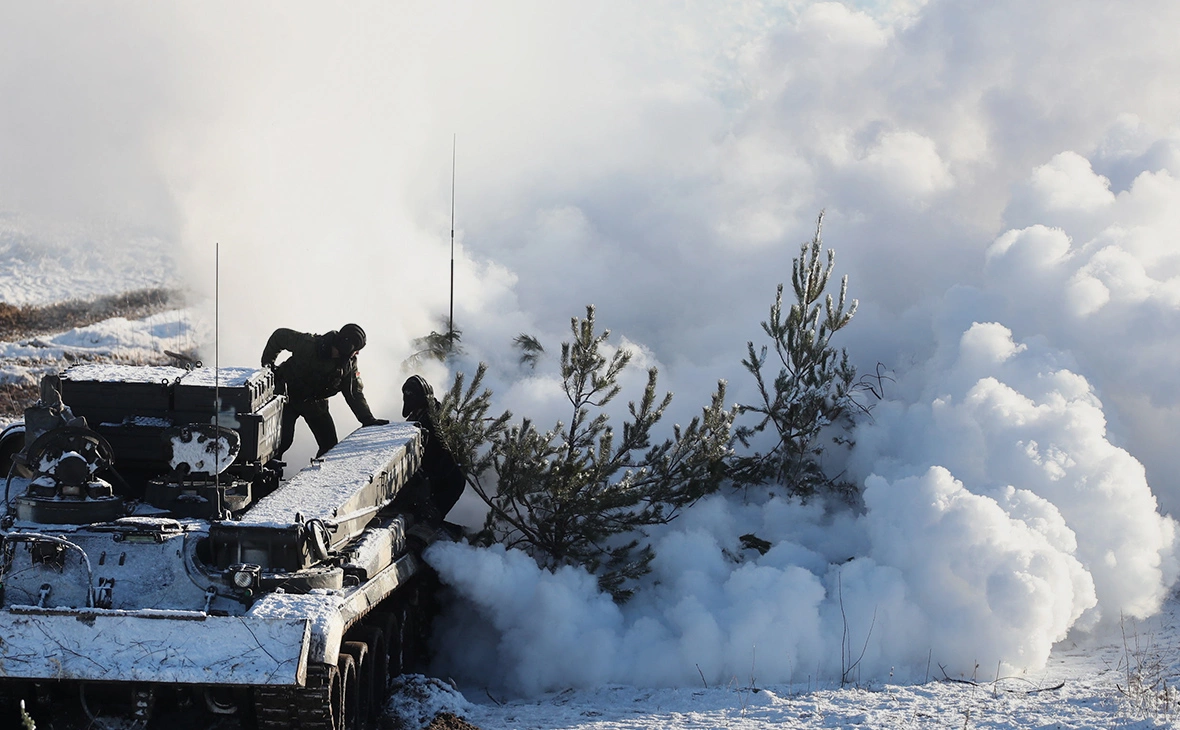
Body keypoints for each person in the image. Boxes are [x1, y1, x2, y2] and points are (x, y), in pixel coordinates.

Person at [261, 323, 388, 460]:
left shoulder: (348, 365)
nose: (357, 353)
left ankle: (316, 475)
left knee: (329, 445)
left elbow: (354, 393)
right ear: (347, 346)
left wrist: (367, 419)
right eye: (356, 349)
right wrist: (268, 366)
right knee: (281, 443)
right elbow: (280, 336)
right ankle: (268, 477)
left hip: (315, 404)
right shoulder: (309, 345)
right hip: (287, 400)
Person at [399, 374, 465, 524]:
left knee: (428, 518)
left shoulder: (437, 420)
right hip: (430, 474)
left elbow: (443, 457)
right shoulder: (417, 417)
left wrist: (425, 477)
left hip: (446, 478)